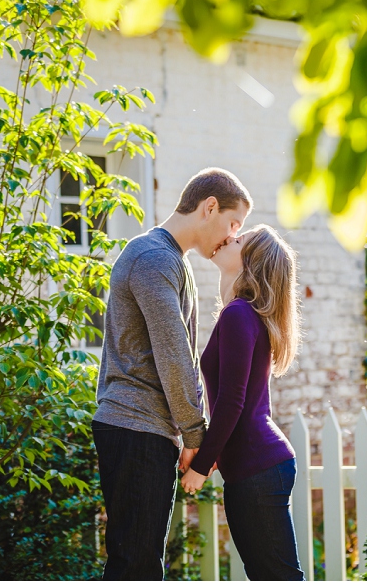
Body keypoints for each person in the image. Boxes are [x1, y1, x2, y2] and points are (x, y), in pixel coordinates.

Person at [92, 168, 252, 580]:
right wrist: (196, 433)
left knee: (138, 562)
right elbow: (173, 353)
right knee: (137, 565)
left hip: (145, 428)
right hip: (135, 427)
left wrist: (184, 431)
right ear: (209, 207)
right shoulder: (153, 258)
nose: (233, 236)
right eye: (234, 223)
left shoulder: (167, 259)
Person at [180, 224, 305, 581]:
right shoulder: (240, 313)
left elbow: (233, 401)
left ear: (250, 263)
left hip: (258, 467)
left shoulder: (239, 315)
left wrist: (202, 465)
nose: (229, 239)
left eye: (239, 240)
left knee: (278, 576)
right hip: (254, 466)